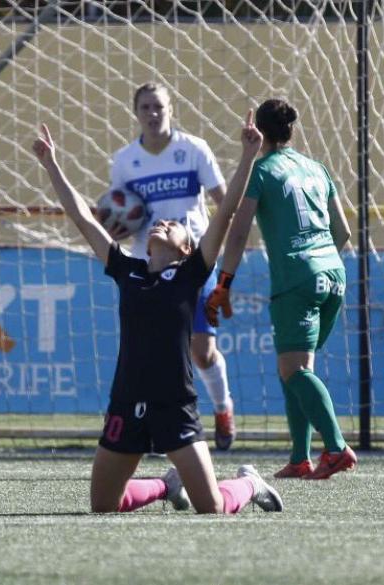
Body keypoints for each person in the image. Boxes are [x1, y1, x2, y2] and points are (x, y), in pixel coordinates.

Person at [32, 113, 283, 514]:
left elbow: (226, 213)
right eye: (161, 222)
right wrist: (51, 165)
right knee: (102, 507)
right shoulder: (126, 268)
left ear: (188, 247)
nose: (165, 222)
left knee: (211, 509)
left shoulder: (190, 273)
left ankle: (249, 483)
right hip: (126, 399)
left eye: (176, 224)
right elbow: (82, 216)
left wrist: (248, 154)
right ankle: (166, 486)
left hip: (174, 404)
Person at [205, 98, 357, 480]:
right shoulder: (317, 168)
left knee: (293, 371)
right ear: (291, 130)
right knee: (298, 368)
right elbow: (344, 232)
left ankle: (336, 448)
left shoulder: (261, 170)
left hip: (297, 275)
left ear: (259, 130)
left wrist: (224, 282)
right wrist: (319, 264)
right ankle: (300, 458)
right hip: (334, 275)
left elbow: (238, 230)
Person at [105, 83, 238, 451]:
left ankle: (223, 407)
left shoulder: (193, 150)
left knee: (202, 351)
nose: (153, 113)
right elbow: (117, 209)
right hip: (148, 268)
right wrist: (113, 225)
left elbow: (223, 202)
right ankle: (153, 426)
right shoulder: (124, 160)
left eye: (159, 106)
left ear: (170, 110)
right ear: (136, 112)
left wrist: (216, 254)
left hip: (193, 265)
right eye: (145, 107)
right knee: (152, 350)